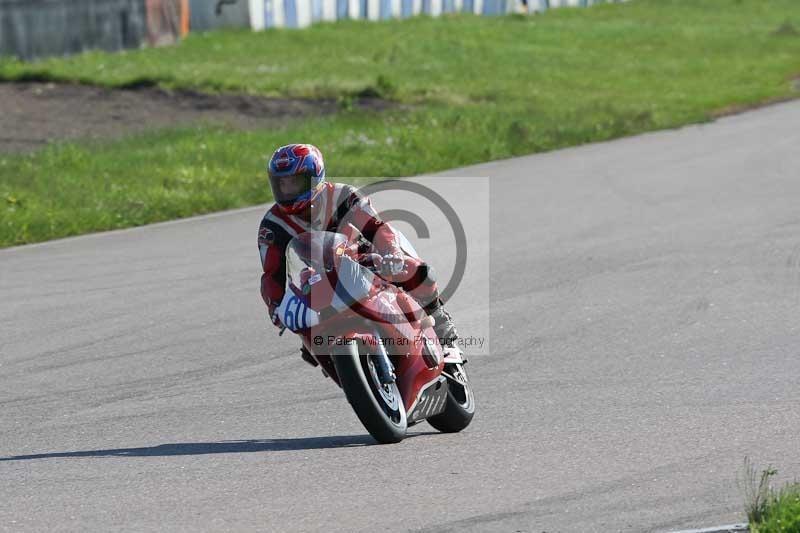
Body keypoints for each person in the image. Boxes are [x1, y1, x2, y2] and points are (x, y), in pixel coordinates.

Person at [258, 143, 458, 365]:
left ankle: (443, 330)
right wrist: (275, 306)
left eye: (295, 182)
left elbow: (376, 227)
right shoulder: (272, 225)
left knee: (417, 271)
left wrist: (392, 253)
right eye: (282, 184)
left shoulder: (343, 195)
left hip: (364, 260)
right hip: (317, 278)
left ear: (315, 177)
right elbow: (272, 274)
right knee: (306, 334)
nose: (288, 191)